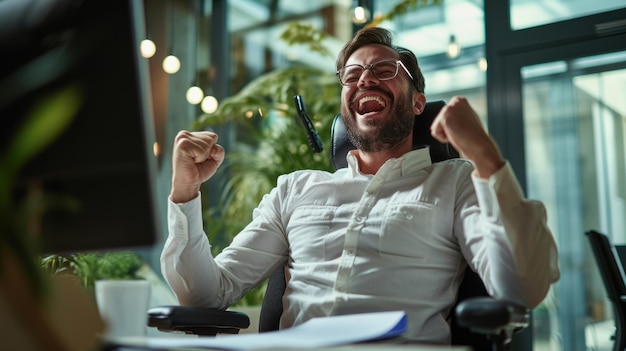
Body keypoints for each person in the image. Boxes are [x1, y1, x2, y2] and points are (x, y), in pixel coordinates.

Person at [161, 27, 560, 345]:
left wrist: (488, 161)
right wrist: (184, 193)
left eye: (384, 70)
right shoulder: (295, 190)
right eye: (352, 75)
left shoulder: (455, 182)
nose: (365, 78)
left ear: (418, 103)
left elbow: (523, 287)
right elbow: (205, 298)